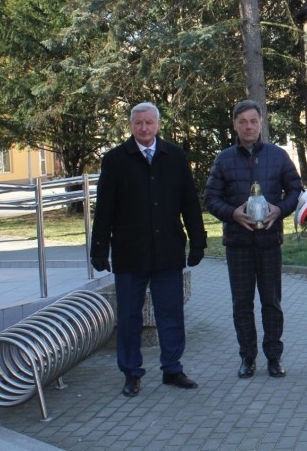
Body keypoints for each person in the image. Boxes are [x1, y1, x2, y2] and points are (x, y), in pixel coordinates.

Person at [90, 102, 206, 397]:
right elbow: (104, 208)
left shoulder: (175, 156)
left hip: (168, 249)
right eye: (138, 123)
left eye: (149, 123)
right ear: (130, 125)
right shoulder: (116, 159)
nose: (144, 128)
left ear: (158, 125)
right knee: (129, 316)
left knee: (171, 312)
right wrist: (99, 249)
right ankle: (131, 372)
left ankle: (172, 368)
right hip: (131, 251)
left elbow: (189, 202)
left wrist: (198, 240)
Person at [204, 100, 302, 379]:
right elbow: (211, 198)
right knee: (241, 304)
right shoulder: (224, 159)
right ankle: (247, 358)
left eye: (253, 121)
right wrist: (232, 213)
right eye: (243, 122)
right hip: (238, 243)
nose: (249, 127)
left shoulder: (278, 155)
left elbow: (295, 189)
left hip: (270, 242)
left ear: (261, 124)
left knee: (272, 302)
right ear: (235, 124)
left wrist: (280, 209)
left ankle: (274, 357)